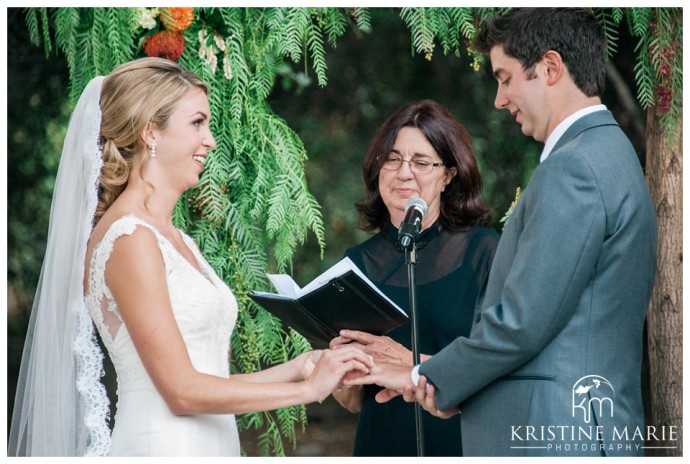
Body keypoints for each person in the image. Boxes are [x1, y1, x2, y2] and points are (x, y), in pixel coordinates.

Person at [8, 57, 373, 457]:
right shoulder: (129, 238)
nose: (211, 140)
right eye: (197, 123)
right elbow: (181, 392)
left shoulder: (175, 237)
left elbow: (207, 378)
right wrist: (307, 391)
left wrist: (303, 366)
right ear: (151, 133)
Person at [345, 8, 657, 457]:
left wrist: (419, 376)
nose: (499, 98)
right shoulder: (609, 151)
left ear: (550, 68)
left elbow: (520, 324)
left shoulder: (575, 168)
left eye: (505, 77)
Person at [329, 100, 498, 456]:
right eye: (392, 159)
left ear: (448, 175)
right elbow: (354, 400)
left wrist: (410, 364)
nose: (404, 173)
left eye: (421, 162)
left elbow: (497, 366)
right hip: (380, 445)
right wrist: (340, 379)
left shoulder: (483, 252)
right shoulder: (355, 265)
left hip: (460, 443)